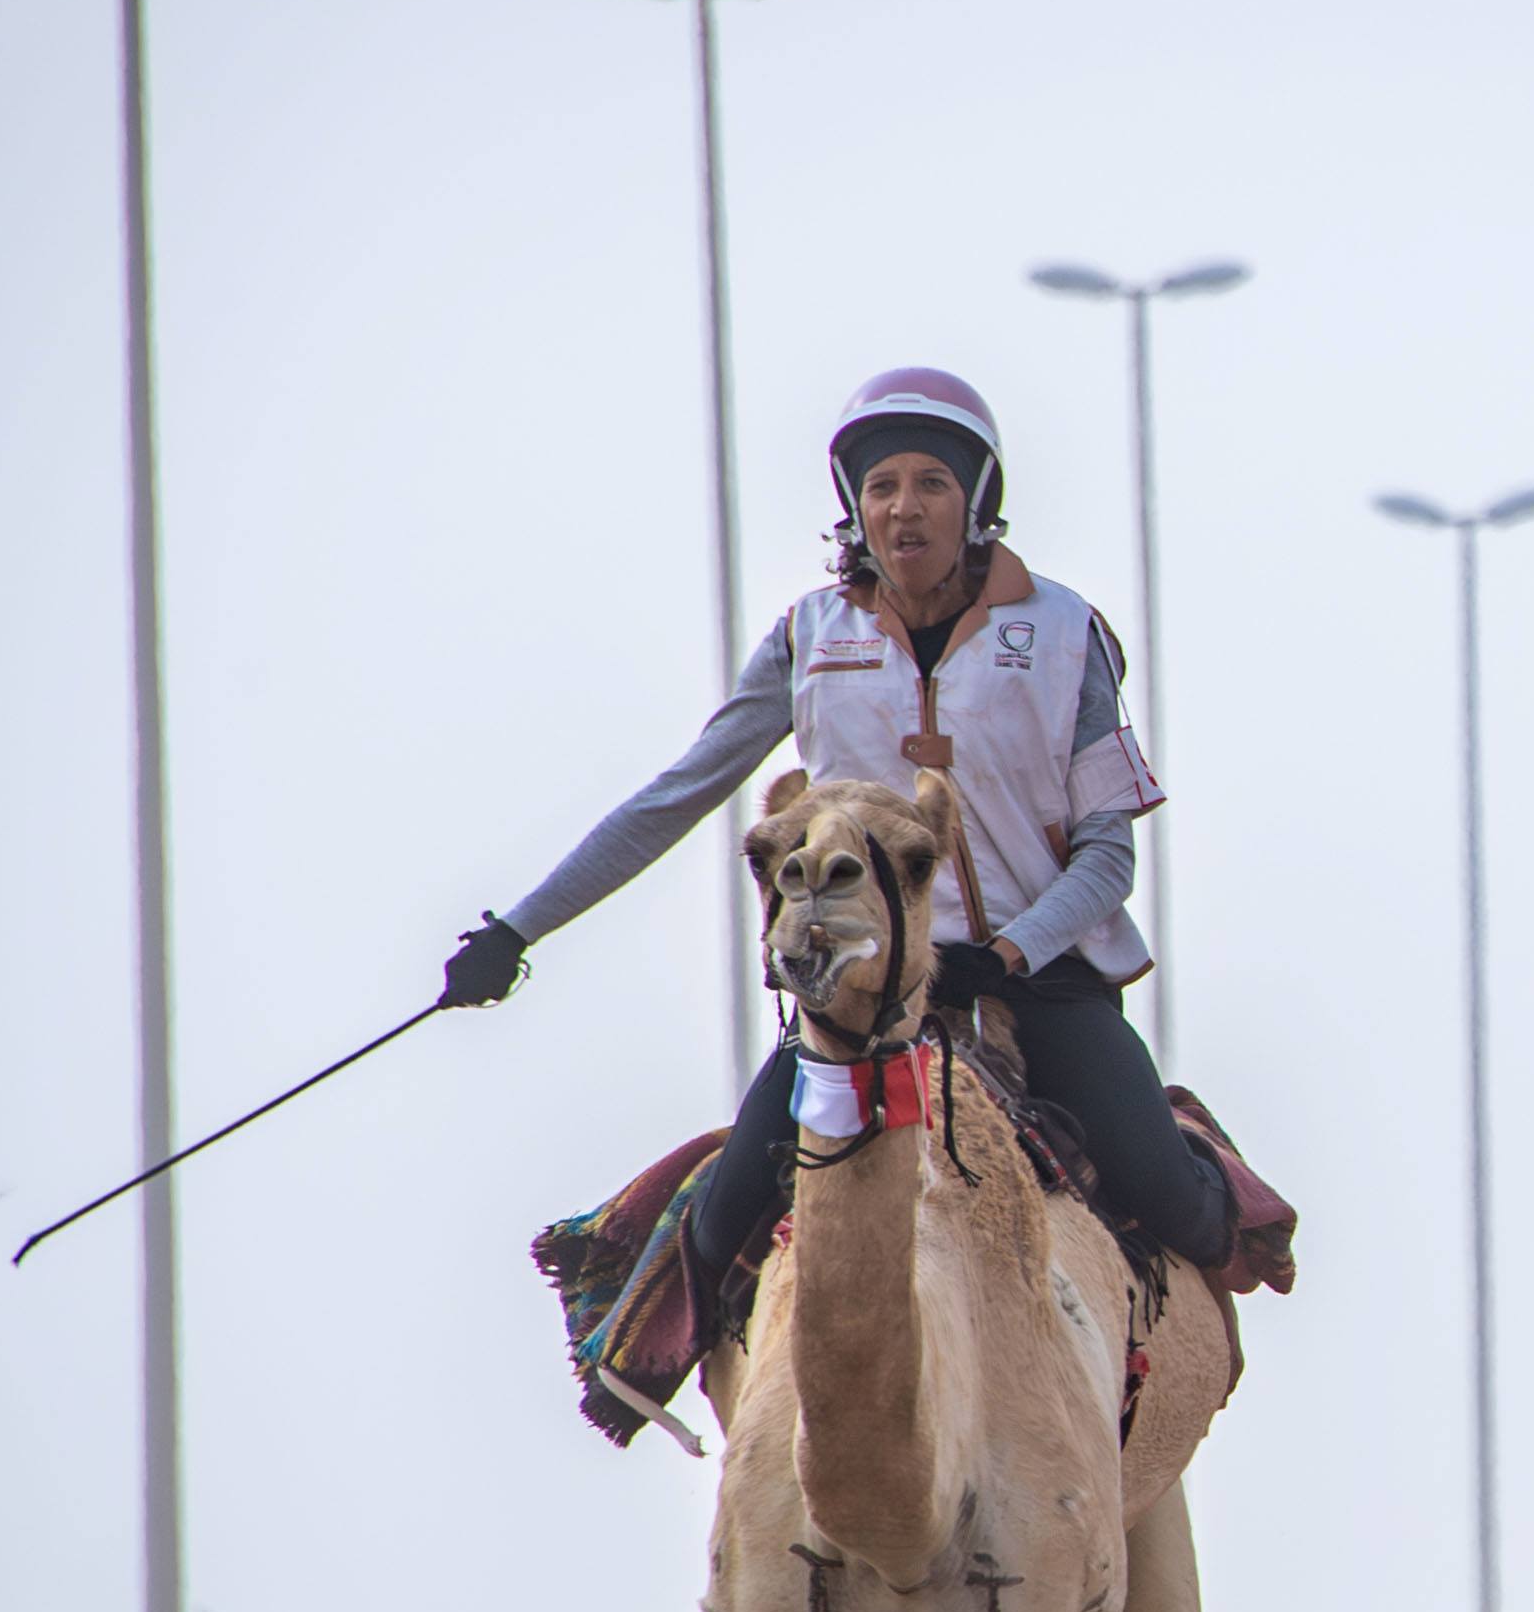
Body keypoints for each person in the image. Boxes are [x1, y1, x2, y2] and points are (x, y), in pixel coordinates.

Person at [439, 365, 1271, 1292]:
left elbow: (1109, 857)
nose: (903, 508)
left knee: (1170, 1198)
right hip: (859, 988)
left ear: (978, 500)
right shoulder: (807, 638)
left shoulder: (1068, 634)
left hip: (1041, 981)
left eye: (932, 482)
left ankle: (1197, 1163)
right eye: (881, 486)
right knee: (714, 1246)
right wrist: (519, 929)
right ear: (854, 507)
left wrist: (1010, 954)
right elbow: (678, 793)